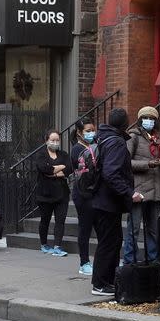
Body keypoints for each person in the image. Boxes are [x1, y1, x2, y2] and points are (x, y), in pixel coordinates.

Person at [90, 108, 136, 296]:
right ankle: (101, 283)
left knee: (110, 242)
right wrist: (129, 192)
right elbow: (111, 173)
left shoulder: (104, 138)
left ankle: (105, 281)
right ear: (125, 123)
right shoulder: (116, 142)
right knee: (109, 243)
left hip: (101, 200)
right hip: (107, 202)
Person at [123, 106, 160, 265]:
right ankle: (130, 261)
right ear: (140, 120)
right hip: (139, 190)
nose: (149, 121)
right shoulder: (133, 136)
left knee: (153, 230)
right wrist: (148, 163)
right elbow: (126, 162)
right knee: (133, 229)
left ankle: (153, 260)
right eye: (145, 118)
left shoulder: (158, 138)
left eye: (152, 118)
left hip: (156, 190)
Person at [35, 129, 72, 257]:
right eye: (52, 140)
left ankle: (57, 246)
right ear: (46, 141)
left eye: (57, 140)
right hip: (45, 193)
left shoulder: (64, 154)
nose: (55, 143)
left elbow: (69, 168)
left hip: (62, 193)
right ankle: (44, 244)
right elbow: (44, 169)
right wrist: (60, 168)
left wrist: (54, 171)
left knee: (60, 220)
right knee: (45, 220)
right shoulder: (41, 155)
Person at [70, 117, 97, 275]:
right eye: (88, 131)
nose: (91, 133)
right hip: (83, 193)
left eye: (93, 130)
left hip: (93, 193)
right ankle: (84, 262)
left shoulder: (93, 146)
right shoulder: (77, 149)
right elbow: (85, 171)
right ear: (79, 133)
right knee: (85, 229)